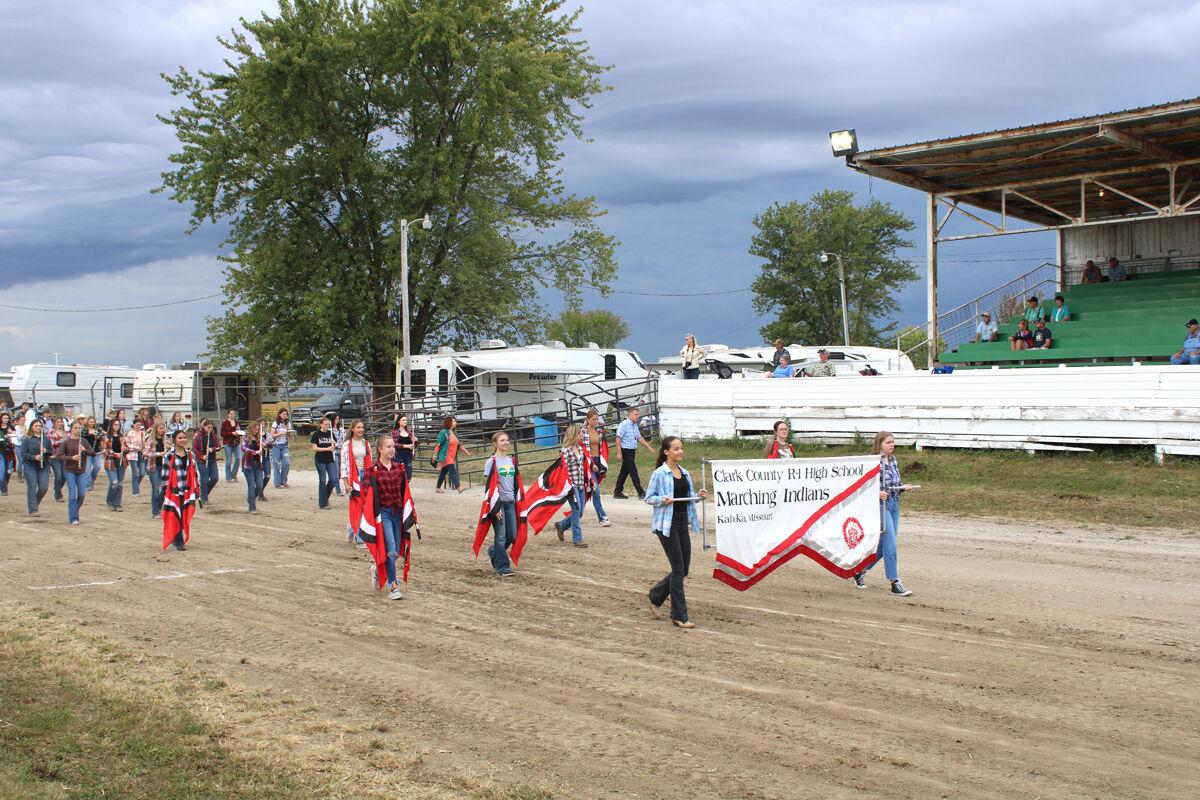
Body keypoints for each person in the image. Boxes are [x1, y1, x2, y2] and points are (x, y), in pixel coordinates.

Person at [644, 436, 705, 629]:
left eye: (681, 448)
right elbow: (649, 498)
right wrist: (663, 499)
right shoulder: (660, 473)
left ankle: (656, 595)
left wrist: (698, 497)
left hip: (681, 523)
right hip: (666, 526)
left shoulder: (684, 473)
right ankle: (679, 615)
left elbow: (687, 499)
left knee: (684, 569)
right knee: (678, 569)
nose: (681, 451)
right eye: (676, 449)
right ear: (666, 452)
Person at [852, 431, 915, 597]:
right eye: (888, 442)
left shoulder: (893, 460)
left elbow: (896, 484)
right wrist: (876, 493)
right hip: (880, 506)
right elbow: (862, 487)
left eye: (893, 442)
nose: (892, 445)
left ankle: (860, 571)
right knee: (891, 543)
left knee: (883, 545)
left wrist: (904, 487)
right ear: (879, 444)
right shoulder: (872, 462)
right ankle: (894, 582)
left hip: (894, 504)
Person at [366, 434, 415, 600]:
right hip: (384, 514)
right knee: (391, 549)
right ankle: (393, 585)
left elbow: (405, 492)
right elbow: (368, 497)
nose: (392, 449)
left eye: (393, 446)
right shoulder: (372, 470)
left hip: (397, 513)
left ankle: (377, 570)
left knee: (393, 551)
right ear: (380, 449)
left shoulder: (399, 468)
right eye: (389, 446)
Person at [481, 431, 521, 576]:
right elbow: (489, 487)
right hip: (499, 504)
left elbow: (515, 483)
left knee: (513, 535)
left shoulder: (511, 461)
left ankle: (494, 551)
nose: (506, 442)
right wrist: (494, 507)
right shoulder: (491, 462)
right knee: (501, 536)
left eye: (507, 440)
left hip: (510, 502)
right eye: (502, 440)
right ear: (495, 444)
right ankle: (502, 567)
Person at [161, 429, 200, 552]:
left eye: (184, 438)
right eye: (180, 438)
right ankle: (179, 541)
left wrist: (196, 488)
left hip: (187, 491)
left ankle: (177, 537)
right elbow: (165, 475)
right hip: (174, 491)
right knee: (176, 515)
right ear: (174, 440)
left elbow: (194, 473)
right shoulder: (169, 455)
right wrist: (167, 491)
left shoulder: (190, 455)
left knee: (184, 515)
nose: (182, 440)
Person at [552, 424, 591, 548]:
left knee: (580, 512)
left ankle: (562, 525)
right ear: (574, 435)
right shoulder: (566, 451)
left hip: (580, 484)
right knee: (576, 510)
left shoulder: (579, 448)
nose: (582, 435)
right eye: (580, 433)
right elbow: (562, 469)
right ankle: (577, 538)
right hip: (572, 486)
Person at [53, 420, 93, 525]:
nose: (78, 430)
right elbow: (59, 456)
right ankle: (74, 518)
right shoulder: (66, 442)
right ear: (71, 429)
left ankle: (74, 510)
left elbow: (92, 453)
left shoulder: (83, 441)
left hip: (81, 470)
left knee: (82, 494)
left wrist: (85, 450)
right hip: (69, 470)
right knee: (72, 495)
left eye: (79, 428)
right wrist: (72, 458)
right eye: (76, 428)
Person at [341, 420, 372, 545]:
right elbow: (343, 465)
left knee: (366, 506)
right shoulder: (347, 445)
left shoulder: (366, 443)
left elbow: (370, 461)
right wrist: (346, 483)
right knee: (358, 506)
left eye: (362, 427)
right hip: (353, 477)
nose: (361, 429)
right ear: (352, 429)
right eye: (358, 427)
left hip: (365, 476)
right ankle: (359, 538)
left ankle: (351, 526)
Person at [612, 407, 654, 499]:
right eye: (636, 414)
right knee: (633, 471)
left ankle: (617, 491)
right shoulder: (624, 425)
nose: (637, 416)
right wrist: (619, 453)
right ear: (630, 414)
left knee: (624, 472)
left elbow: (639, 437)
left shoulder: (634, 425)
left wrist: (648, 447)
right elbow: (618, 438)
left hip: (632, 451)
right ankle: (640, 492)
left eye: (638, 415)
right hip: (625, 450)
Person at [579, 409, 612, 526]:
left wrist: (602, 464)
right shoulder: (582, 431)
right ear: (587, 420)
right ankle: (602, 517)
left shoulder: (599, 431)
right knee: (595, 490)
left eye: (597, 419)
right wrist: (591, 463)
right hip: (588, 463)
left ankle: (568, 522)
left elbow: (602, 448)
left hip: (598, 462)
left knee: (589, 493)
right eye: (593, 419)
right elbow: (582, 449)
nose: (595, 421)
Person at [21, 418, 52, 515]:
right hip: (30, 465)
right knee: (32, 486)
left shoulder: (46, 439)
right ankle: (33, 509)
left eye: (40, 426)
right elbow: (23, 454)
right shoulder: (26, 439)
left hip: (44, 465)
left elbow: (51, 452)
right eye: (36, 426)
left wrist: (45, 451)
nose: (38, 427)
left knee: (44, 487)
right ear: (32, 427)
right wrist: (34, 457)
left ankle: (34, 504)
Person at [434, 416, 470, 493]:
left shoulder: (453, 433)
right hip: (445, 455)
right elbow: (438, 444)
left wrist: (465, 451)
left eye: (455, 421)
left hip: (451, 456)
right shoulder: (444, 432)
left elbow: (458, 445)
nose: (455, 422)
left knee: (443, 472)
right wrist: (435, 455)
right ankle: (458, 487)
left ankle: (438, 488)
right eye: (453, 421)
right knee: (453, 470)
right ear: (449, 422)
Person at [311, 415, 338, 509]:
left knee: (334, 479)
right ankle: (323, 503)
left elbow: (335, 444)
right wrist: (327, 448)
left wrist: (334, 445)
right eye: (326, 424)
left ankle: (324, 498)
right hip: (320, 460)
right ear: (321, 425)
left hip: (330, 459)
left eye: (328, 424)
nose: (327, 426)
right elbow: (314, 448)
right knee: (322, 480)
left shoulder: (330, 433)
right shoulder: (316, 434)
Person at [192, 418, 220, 504]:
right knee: (205, 480)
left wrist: (212, 449)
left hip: (212, 460)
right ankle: (204, 499)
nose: (210, 429)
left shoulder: (213, 435)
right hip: (201, 461)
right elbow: (194, 449)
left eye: (211, 427)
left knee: (215, 478)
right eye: (208, 427)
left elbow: (218, 446)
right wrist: (202, 456)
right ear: (203, 427)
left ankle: (201, 494)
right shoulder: (198, 436)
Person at [240, 422, 265, 514]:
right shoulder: (245, 437)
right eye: (255, 429)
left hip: (258, 465)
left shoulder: (259, 438)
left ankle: (250, 499)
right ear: (251, 428)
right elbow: (244, 448)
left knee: (259, 486)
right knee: (251, 486)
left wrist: (267, 445)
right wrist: (255, 452)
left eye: (258, 429)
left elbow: (267, 443)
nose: (256, 431)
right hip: (248, 465)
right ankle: (252, 507)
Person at [145, 421, 168, 519]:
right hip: (153, 466)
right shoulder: (151, 440)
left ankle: (158, 506)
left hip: (164, 467)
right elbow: (145, 453)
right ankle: (155, 511)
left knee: (165, 488)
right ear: (156, 429)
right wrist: (158, 454)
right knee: (155, 489)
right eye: (160, 428)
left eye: (163, 428)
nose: (162, 430)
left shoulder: (166, 440)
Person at [102, 418, 125, 512]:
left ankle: (117, 503)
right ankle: (110, 501)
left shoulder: (122, 436)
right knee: (114, 482)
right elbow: (105, 450)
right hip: (110, 462)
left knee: (120, 484)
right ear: (111, 426)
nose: (117, 427)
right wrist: (116, 454)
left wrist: (125, 449)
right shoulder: (106, 437)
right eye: (115, 425)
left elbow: (126, 448)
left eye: (118, 425)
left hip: (121, 462)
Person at [389, 413, 418, 478]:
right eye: (403, 420)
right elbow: (393, 444)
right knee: (399, 475)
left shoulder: (409, 433)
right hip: (398, 456)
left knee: (409, 476)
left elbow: (414, 446)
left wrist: (416, 441)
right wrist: (406, 446)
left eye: (406, 420)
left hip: (408, 456)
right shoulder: (394, 432)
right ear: (399, 421)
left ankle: (404, 487)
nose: (405, 421)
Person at [270, 409, 293, 488]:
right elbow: (272, 434)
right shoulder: (275, 423)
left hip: (285, 446)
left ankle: (284, 481)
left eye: (286, 414)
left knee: (286, 463)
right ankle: (277, 482)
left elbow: (289, 435)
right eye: (283, 414)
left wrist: (290, 433)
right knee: (276, 464)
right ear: (279, 414)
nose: (285, 415)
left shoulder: (288, 423)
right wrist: (280, 433)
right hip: (276, 445)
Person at [124, 420, 147, 496]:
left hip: (141, 454)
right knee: (135, 473)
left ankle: (136, 485)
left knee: (142, 473)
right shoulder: (130, 434)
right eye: (137, 424)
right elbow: (127, 444)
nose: (139, 426)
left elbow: (145, 444)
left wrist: (144, 450)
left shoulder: (142, 433)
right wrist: (137, 447)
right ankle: (135, 491)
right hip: (132, 455)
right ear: (133, 425)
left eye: (140, 424)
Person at [47, 417, 67, 503]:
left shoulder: (66, 433)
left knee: (64, 476)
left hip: (64, 456)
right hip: (54, 456)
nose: (59, 423)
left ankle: (57, 489)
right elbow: (51, 444)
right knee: (58, 476)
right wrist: (59, 442)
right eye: (58, 422)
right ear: (54, 423)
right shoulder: (50, 432)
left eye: (61, 422)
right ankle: (58, 494)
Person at [82, 416, 103, 488]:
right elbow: (82, 437)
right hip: (87, 451)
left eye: (93, 422)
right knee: (87, 469)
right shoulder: (84, 430)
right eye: (90, 422)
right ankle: (88, 485)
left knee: (97, 467)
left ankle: (91, 481)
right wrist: (90, 434)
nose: (92, 423)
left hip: (96, 451)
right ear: (87, 422)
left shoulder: (98, 429)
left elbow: (102, 437)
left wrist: (98, 436)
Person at [220, 410, 240, 483]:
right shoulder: (225, 423)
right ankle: (228, 477)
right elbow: (222, 434)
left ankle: (234, 475)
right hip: (228, 443)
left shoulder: (236, 422)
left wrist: (239, 432)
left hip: (236, 443)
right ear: (228, 414)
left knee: (238, 459)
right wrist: (232, 433)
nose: (233, 415)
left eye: (234, 414)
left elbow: (238, 430)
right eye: (231, 414)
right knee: (228, 461)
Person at [330, 414, 345, 496]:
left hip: (341, 451)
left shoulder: (341, 430)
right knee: (336, 471)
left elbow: (343, 439)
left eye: (338, 418)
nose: (337, 420)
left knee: (339, 473)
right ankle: (338, 490)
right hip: (334, 452)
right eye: (336, 419)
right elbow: (331, 441)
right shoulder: (330, 430)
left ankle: (331, 485)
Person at [0, 412, 14, 496]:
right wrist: (4, 438)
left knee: (9, 471)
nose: (6, 419)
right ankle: (4, 489)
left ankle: (4, 485)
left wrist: (12, 435)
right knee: (2, 472)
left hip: (10, 451)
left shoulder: (11, 428)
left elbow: (16, 438)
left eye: (7, 418)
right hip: (1, 451)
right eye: (4, 418)